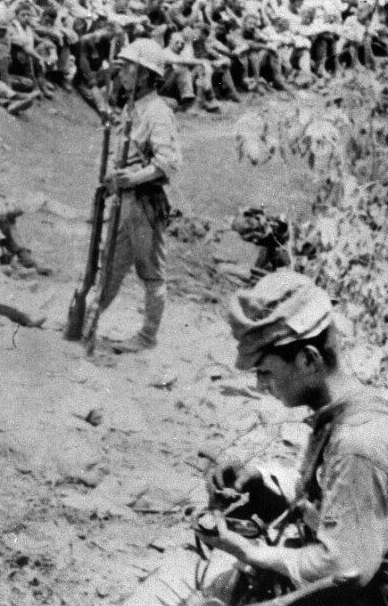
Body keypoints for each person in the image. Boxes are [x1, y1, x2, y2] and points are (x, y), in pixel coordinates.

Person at [191, 271, 387, 605]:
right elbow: (333, 505)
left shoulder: (356, 445)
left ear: (308, 359)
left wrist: (250, 552)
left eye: (265, 372)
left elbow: (345, 568)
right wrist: (262, 485)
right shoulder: (348, 411)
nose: (260, 386)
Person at [87, 38, 182, 353]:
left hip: (145, 200)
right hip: (123, 200)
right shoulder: (132, 107)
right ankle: (89, 319)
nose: (122, 74)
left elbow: (168, 161)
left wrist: (134, 177)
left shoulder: (157, 112)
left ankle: (147, 336)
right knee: (111, 263)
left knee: (151, 272)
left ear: (144, 74)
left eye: (128, 68)